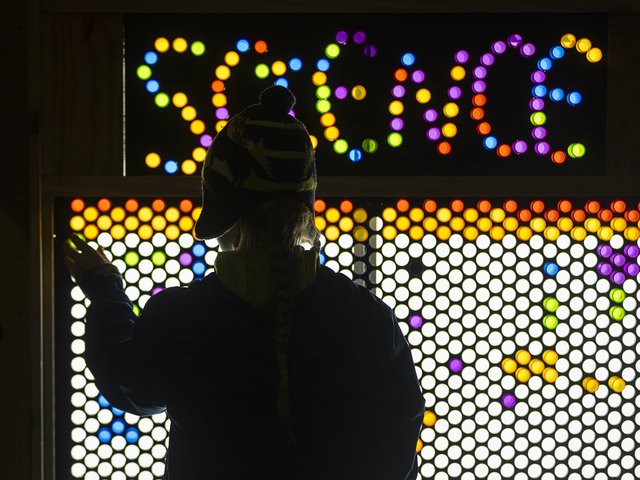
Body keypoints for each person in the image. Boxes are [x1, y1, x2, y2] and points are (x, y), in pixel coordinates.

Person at [63, 85, 425, 479]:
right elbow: (398, 437)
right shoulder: (366, 321)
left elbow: (128, 385)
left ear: (220, 211)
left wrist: (104, 289)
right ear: (306, 206)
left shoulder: (182, 318)